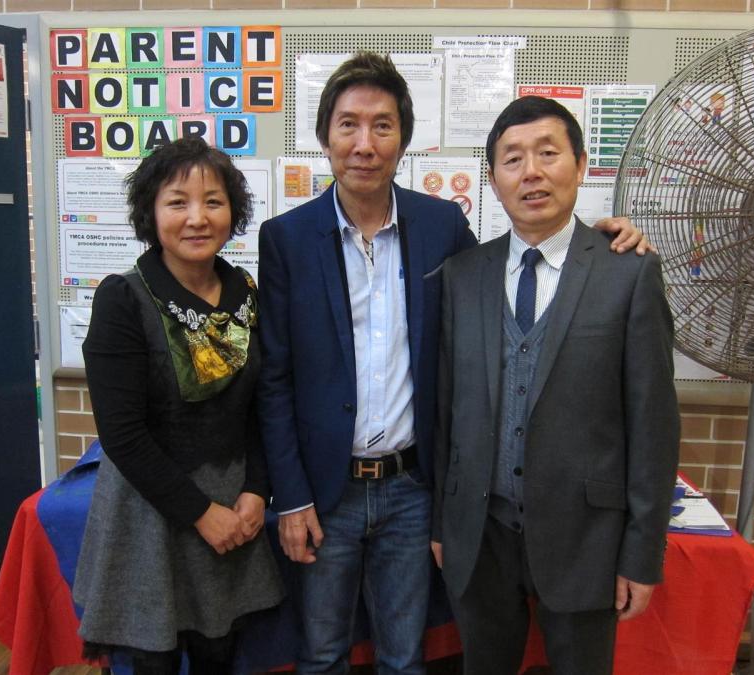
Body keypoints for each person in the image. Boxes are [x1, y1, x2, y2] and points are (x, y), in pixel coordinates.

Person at [258, 52, 649, 674]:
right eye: (348, 125)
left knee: (404, 656)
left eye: (383, 126)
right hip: (326, 491)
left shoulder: (441, 225)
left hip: (413, 490)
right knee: (323, 652)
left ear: (403, 140)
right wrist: (291, 497)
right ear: (325, 137)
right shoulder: (286, 238)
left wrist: (603, 240)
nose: (365, 144)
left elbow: (521, 268)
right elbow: (274, 378)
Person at [432, 95, 680, 675]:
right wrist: (444, 522)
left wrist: (642, 553)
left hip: (587, 539)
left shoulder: (628, 272)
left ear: (581, 164)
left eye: (548, 153)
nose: (531, 172)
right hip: (480, 534)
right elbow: (447, 411)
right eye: (513, 159)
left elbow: (654, 427)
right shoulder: (462, 276)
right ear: (493, 178)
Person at [74, 137, 284, 674]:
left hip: (232, 506)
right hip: (151, 509)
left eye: (213, 201)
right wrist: (200, 513)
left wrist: (256, 489)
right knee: (154, 659)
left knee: (220, 653)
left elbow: (261, 406)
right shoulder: (124, 298)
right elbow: (122, 435)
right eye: (177, 202)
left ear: (233, 211)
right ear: (151, 212)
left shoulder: (246, 294)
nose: (197, 218)